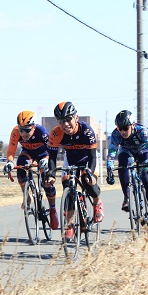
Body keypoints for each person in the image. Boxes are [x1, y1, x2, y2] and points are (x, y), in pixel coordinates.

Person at [47, 101, 104, 240]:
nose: (65, 124)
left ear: (76, 118)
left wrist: (90, 173)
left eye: (68, 119)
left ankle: (97, 203)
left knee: (87, 180)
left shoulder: (86, 130)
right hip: (71, 159)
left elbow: (92, 156)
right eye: (61, 121)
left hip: (88, 158)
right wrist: (51, 175)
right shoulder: (55, 133)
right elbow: (52, 159)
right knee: (68, 185)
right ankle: (70, 225)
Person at [2, 110, 59, 230]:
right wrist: (9, 162)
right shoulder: (16, 132)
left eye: (27, 130)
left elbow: (51, 149)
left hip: (43, 154)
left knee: (47, 183)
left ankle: (53, 209)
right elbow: (11, 151)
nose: (23, 133)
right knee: (20, 164)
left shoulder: (42, 132)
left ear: (33, 126)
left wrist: (47, 159)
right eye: (21, 129)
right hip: (28, 153)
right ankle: (26, 197)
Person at [106, 110, 148, 228]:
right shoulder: (116, 134)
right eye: (120, 128)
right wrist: (109, 170)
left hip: (143, 152)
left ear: (133, 125)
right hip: (127, 152)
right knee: (123, 162)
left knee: (147, 179)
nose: (123, 131)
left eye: (125, 128)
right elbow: (111, 153)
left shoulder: (142, 131)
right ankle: (127, 196)